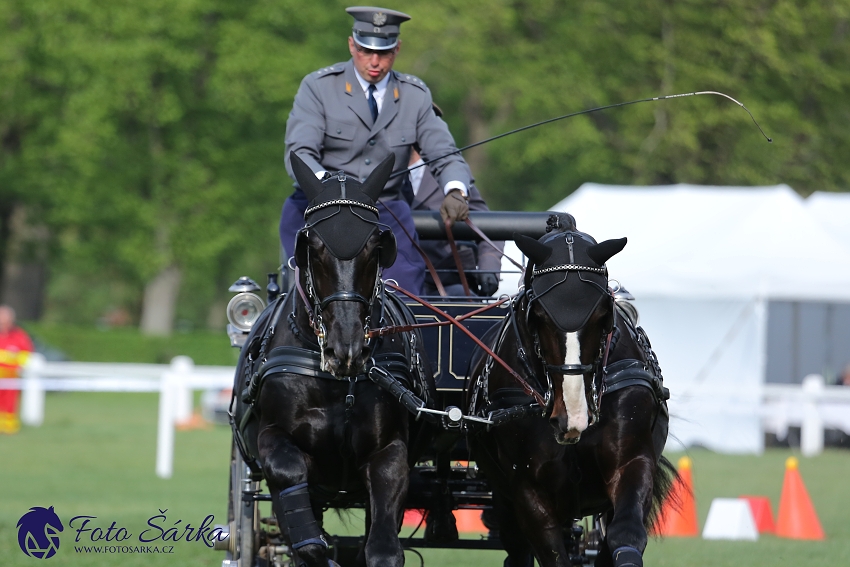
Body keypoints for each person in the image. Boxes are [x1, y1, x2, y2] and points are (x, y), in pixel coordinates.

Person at [280, 6, 474, 295]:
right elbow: (299, 152)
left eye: (383, 53)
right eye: (364, 50)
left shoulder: (414, 95)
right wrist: (329, 188)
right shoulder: (318, 88)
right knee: (313, 296)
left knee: (404, 293)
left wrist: (456, 190)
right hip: (318, 209)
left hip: (385, 211)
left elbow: (444, 152)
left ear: (397, 49)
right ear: (351, 45)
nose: (374, 61)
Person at [407, 148, 503, 296]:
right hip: (390, 282)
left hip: (447, 281)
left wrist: (488, 266)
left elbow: (488, 227)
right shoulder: (379, 175)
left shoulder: (453, 179)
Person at [0, 305, 34, 434]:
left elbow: (26, 354)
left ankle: (9, 426)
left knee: (9, 402)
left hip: (11, 376)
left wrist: (11, 360)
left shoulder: (19, 335)